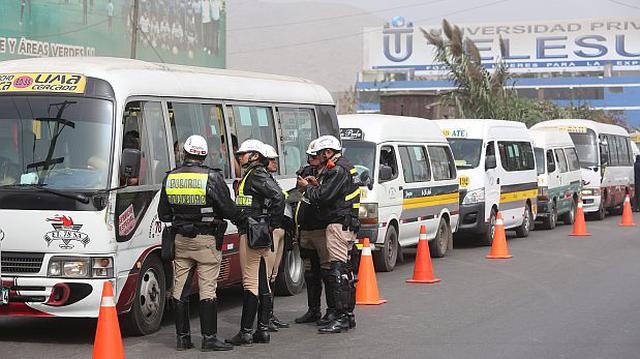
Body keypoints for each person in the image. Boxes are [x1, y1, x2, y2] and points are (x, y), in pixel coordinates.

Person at [158, 135, 240, 352]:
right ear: (204, 155)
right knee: (207, 289)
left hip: (180, 241)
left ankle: (182, 339)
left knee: (179, 290)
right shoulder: (212, 178)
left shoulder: (170, 178)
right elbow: (229, 210)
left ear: (184, 153)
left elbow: (164, 214)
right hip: (206, 241)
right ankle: (209, 339)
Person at [297, 135, 360, 334]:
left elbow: (323, 197)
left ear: (328, 152)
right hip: (343, 224)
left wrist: (308, 187)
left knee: (338, 272)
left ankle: (341, 317)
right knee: (343, 271)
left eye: (318, 155)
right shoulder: (343, 167)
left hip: (338, 224)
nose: (315, 159)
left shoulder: (338, 170)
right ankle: (345, 316)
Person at [227, 139, 285, 346]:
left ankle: (245, 332)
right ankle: (262, 330)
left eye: (242, 154)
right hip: (257, 231)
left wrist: (272, 223)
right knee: (262, 280)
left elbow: (278, 197)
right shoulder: (252, 175)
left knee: (250, 282)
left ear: (254, 156)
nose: (239, 156)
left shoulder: (256, 175)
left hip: (252, 232)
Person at [293, 140, 336, 326]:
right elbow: (297, 194)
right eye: (309, 156)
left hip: (321, 228)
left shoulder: (330, 172)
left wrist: (311, 186)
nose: (310, 160)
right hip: (306, 229)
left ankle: (332, 311)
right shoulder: (306, 171)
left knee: (328, 272)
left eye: (314, 156)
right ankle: (313, 310)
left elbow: (325, 197)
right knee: (310, 273)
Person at [262, 144, 290, 331]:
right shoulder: (260, 180)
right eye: (272, 160)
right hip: (271, 230)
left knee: (273, 275)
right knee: (266, 275)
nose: (275, 163)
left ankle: (270, 314)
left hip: (279, 230)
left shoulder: (270, 179)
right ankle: (265, 317)